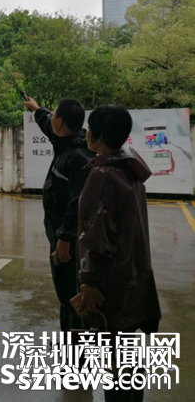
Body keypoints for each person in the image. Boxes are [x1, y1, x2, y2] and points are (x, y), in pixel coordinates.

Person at [77, 105, 161, 401]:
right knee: (127, 354)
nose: (86, 133)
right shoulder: (129, 167)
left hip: (110, 283)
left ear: (99, 135)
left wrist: (90, 280)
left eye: (90, 128)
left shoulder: (103, 174)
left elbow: (98, 234)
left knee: (114, 361)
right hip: (132, 276)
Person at [24, 96, 94, 333]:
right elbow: (47, 123)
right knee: (65, 292)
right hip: (58, 233)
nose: (51, 117)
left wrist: (65, 237)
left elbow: (78, 202)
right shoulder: (65, 141)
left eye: (54, 115)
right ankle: (69, 336)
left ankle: (77, 341)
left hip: (69, 241)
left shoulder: (78, 156)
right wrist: (36, 109)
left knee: (70, 290)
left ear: (61, 122)